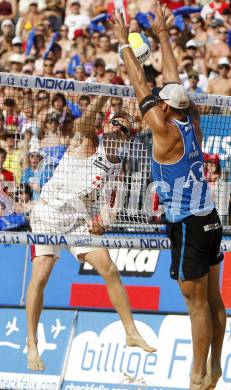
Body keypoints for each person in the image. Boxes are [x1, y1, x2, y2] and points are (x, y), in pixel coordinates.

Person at [113, 3, 226, 389]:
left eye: (162, 100)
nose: (158, 100)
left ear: (165, 107)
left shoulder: (164, 132)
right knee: (214, 300)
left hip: (188, 225)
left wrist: (123, 46)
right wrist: (162, 35)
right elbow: (172, 83)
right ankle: (216, 365)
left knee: (197, 306)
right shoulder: (190, 118)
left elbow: (141, 86)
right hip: (210, 216)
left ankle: (197, 376)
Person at [26, 95, 155, 372]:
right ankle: (32, 342)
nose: (117, 129)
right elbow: (82, 123)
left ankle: (131, 332)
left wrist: (104, 222)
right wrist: (100, 97)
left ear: (127, 136)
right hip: (48, 215)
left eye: (123, 128)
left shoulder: (117, 165)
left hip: (78, 221)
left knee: (109, 269)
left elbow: (112, 202)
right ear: (107, 126)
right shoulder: (87, 141)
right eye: (114, 124)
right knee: (41, 274)